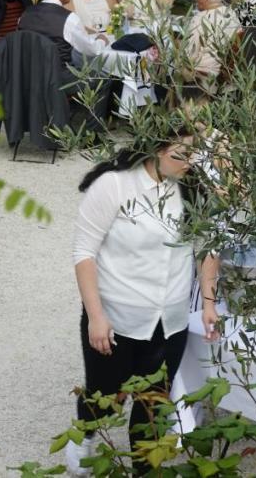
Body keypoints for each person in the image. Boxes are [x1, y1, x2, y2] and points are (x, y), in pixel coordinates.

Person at [66, 131, 220, 476]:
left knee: (154, 404)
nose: (190, 164)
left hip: (172, 320)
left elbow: (207, 246)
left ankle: (143, 469)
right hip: (117, 317)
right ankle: (85, 435)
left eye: (195, 155)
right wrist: (95, 316)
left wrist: (209, 303)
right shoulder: (113, 186)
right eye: (181, 155)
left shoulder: (192, 188)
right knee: (106, 394)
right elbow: (84, 253)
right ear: (155, 148)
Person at [18, 0, 110, 67]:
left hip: (28, 76)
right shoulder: (68, 19)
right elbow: (93, 50)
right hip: (61, 79)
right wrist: (101, 39)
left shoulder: (25, 14)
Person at [183, 0, 242, 83]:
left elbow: (189, 56)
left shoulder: (200, 19)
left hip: (200, 78)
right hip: (226, 77)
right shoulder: (232, 15)